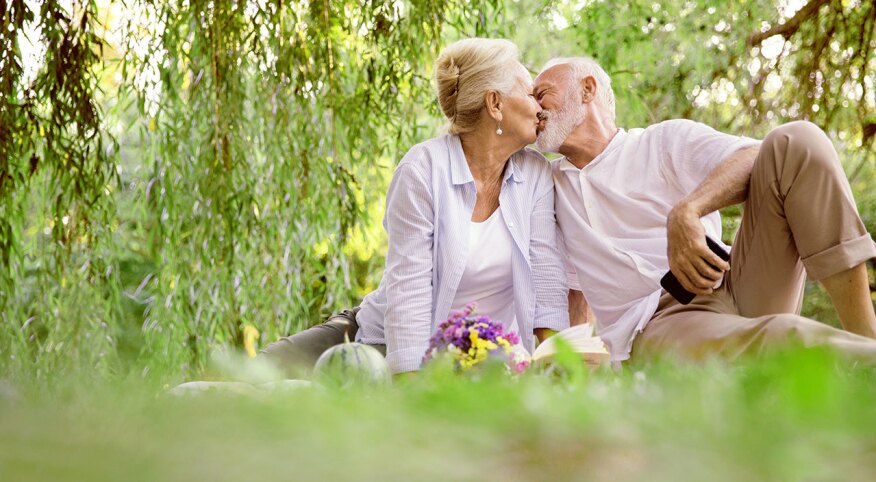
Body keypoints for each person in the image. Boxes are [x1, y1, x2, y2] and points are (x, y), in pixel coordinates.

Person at [532, 56, 876, 365]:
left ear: (587, 90)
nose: (535, 108)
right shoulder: (546, 185)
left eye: (542, 93)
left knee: (797, 141)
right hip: (661, 321)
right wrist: (567, 358)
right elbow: (574, 289)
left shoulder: (662, 141)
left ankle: (866, 338)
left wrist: (687, 210)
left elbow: (757, 156)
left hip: (733, 278)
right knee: (784, 336)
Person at [260, 39, 569, 377]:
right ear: (494, 103)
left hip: (469, 358)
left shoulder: (535, 173)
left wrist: (557, 370)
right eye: (528, 94)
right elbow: (409, 287)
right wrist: (409, 381)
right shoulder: (423, 169)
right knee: (259, 370)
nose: (540, 109)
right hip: (385, 337)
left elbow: (547, 280)